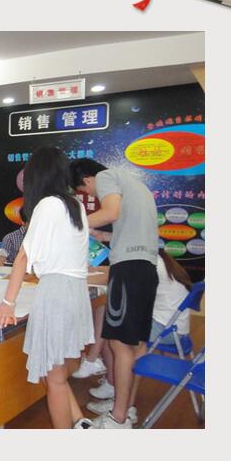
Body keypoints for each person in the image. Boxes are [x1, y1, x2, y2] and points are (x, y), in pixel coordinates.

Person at [0, 147, 95, 429]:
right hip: (76, 292)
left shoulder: (48, 205)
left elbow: (23, 257)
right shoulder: (75, 205)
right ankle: (80, 422)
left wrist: (8, 303)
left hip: (57, 294)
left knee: (55, 378)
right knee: (56, 371)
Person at [70, 158, 159, 429]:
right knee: (136, 345)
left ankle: (118, 419)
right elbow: (127, 227)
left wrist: (71, 224)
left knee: (119, 345)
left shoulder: (107, 177)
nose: (91, 195)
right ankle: (125, 408)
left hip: (128, 270)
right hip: (146, 269)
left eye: (85, 191)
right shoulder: (135, 185)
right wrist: (102, 235)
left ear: (88, 179)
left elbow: (110, 212)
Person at [85, 248, 193, 422]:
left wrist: (74, 276)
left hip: (166, 330)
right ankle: (106, 377)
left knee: (113, 329)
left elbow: (114, 276)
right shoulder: (156, 258)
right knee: (105, 314)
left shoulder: (149, 264)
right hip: (173, 327)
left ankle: (109, 383)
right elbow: (114, 271)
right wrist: (93, 270)